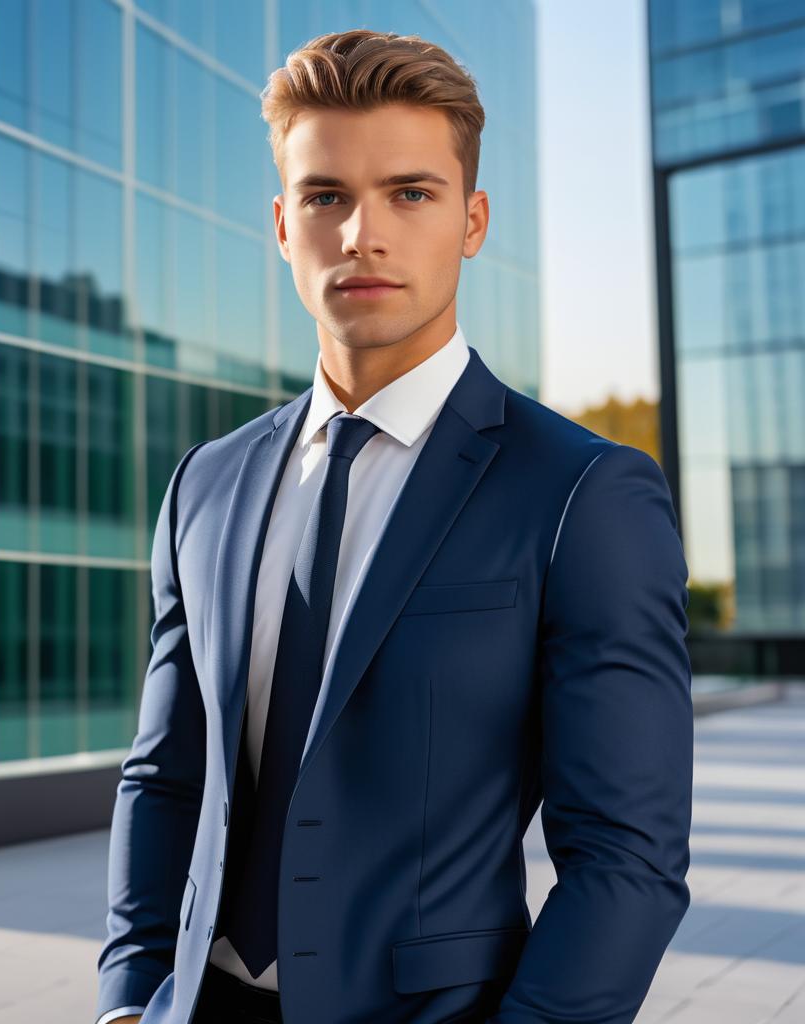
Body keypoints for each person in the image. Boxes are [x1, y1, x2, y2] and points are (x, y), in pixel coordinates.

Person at [95, 28, 693, 1024]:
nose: (361, 234)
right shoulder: (206, 482)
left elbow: (627, 856)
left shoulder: (583, 493)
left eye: (410, 193)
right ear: (284, 223)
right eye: (327, 196)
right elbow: (165, 775)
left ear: (472, 220)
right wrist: (126, 998)